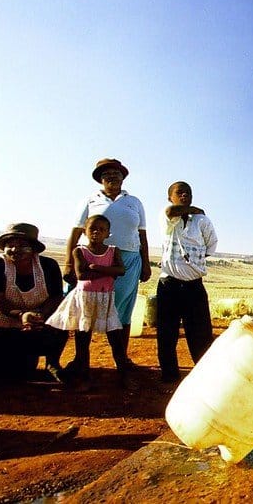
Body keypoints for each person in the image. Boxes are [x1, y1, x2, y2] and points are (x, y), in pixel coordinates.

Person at [64, 158, 151, 372]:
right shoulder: (90, 200)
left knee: (121, 310)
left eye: (116, 173)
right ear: (100, 180)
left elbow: (142, 234)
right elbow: (76, 231)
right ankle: (80, 360)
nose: (111, 177)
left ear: (123, 176)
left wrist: (146, 263)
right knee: (86, 307)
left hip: (128, 260)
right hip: (91, 257)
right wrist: (68, 262)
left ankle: (121, 360)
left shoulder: (134, 202)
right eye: (106, 174)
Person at [47, 215, 126, 390]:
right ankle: (84, 375)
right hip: (85, 299)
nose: (97, 232)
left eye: (102, 229)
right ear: (85, 232)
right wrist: (109, 272)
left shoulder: (113, 250)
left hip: (105, 298)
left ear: (108, 233)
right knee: (83, 339)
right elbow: (81, 276)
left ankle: (124, 375)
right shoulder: (79, 251)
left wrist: (97, 268)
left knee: (115, 337)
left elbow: (121, 270)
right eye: (93, 229)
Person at [156, 181, 218, 383]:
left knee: (200, 334)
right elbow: (172, 210)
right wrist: (195, 209)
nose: (185, 195)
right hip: (169, 285)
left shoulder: (202, 221)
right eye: (180, 192)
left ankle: (204, 376)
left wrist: (193, 261)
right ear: (170, 197)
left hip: (194, 286)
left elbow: (211, 245)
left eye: (188, 193)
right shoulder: (167, 216)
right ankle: (169, 376)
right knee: (167, 333)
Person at [0, 223, 68, 381]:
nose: (15, 250)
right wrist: (21, 315)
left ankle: (52, 363)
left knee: (62, 320)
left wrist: (40, 316)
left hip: (39, 322)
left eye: (22, 245)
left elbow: (56, 297)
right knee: (13, 376)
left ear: (33, 248)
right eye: (10, 245)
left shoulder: (49, 266)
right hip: (6, 322)